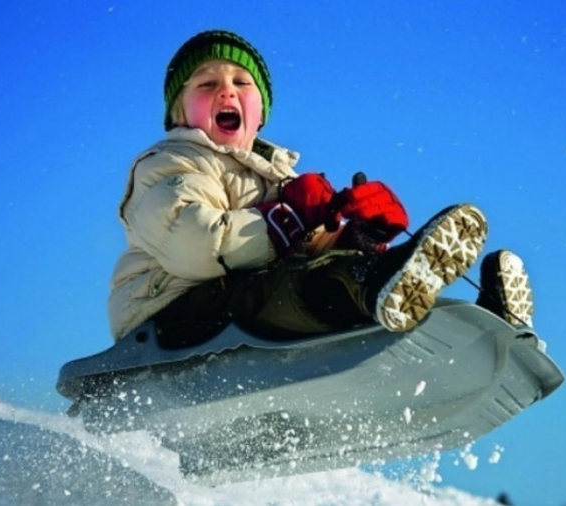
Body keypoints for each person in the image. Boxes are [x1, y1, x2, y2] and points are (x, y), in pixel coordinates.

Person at [107, 30, 534, 347]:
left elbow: (303, 249)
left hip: (245, 315)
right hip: (169, 317)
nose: (226, 91)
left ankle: (477, 328)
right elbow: (196, 245)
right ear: (179, 115)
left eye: (242, 83)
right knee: (302, 286)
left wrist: (357, 236)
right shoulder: (169, 164)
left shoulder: (276, 181)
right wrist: (289, 216)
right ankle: (378, 286)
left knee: (329, 272)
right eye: (206, 84)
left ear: (259, 116)